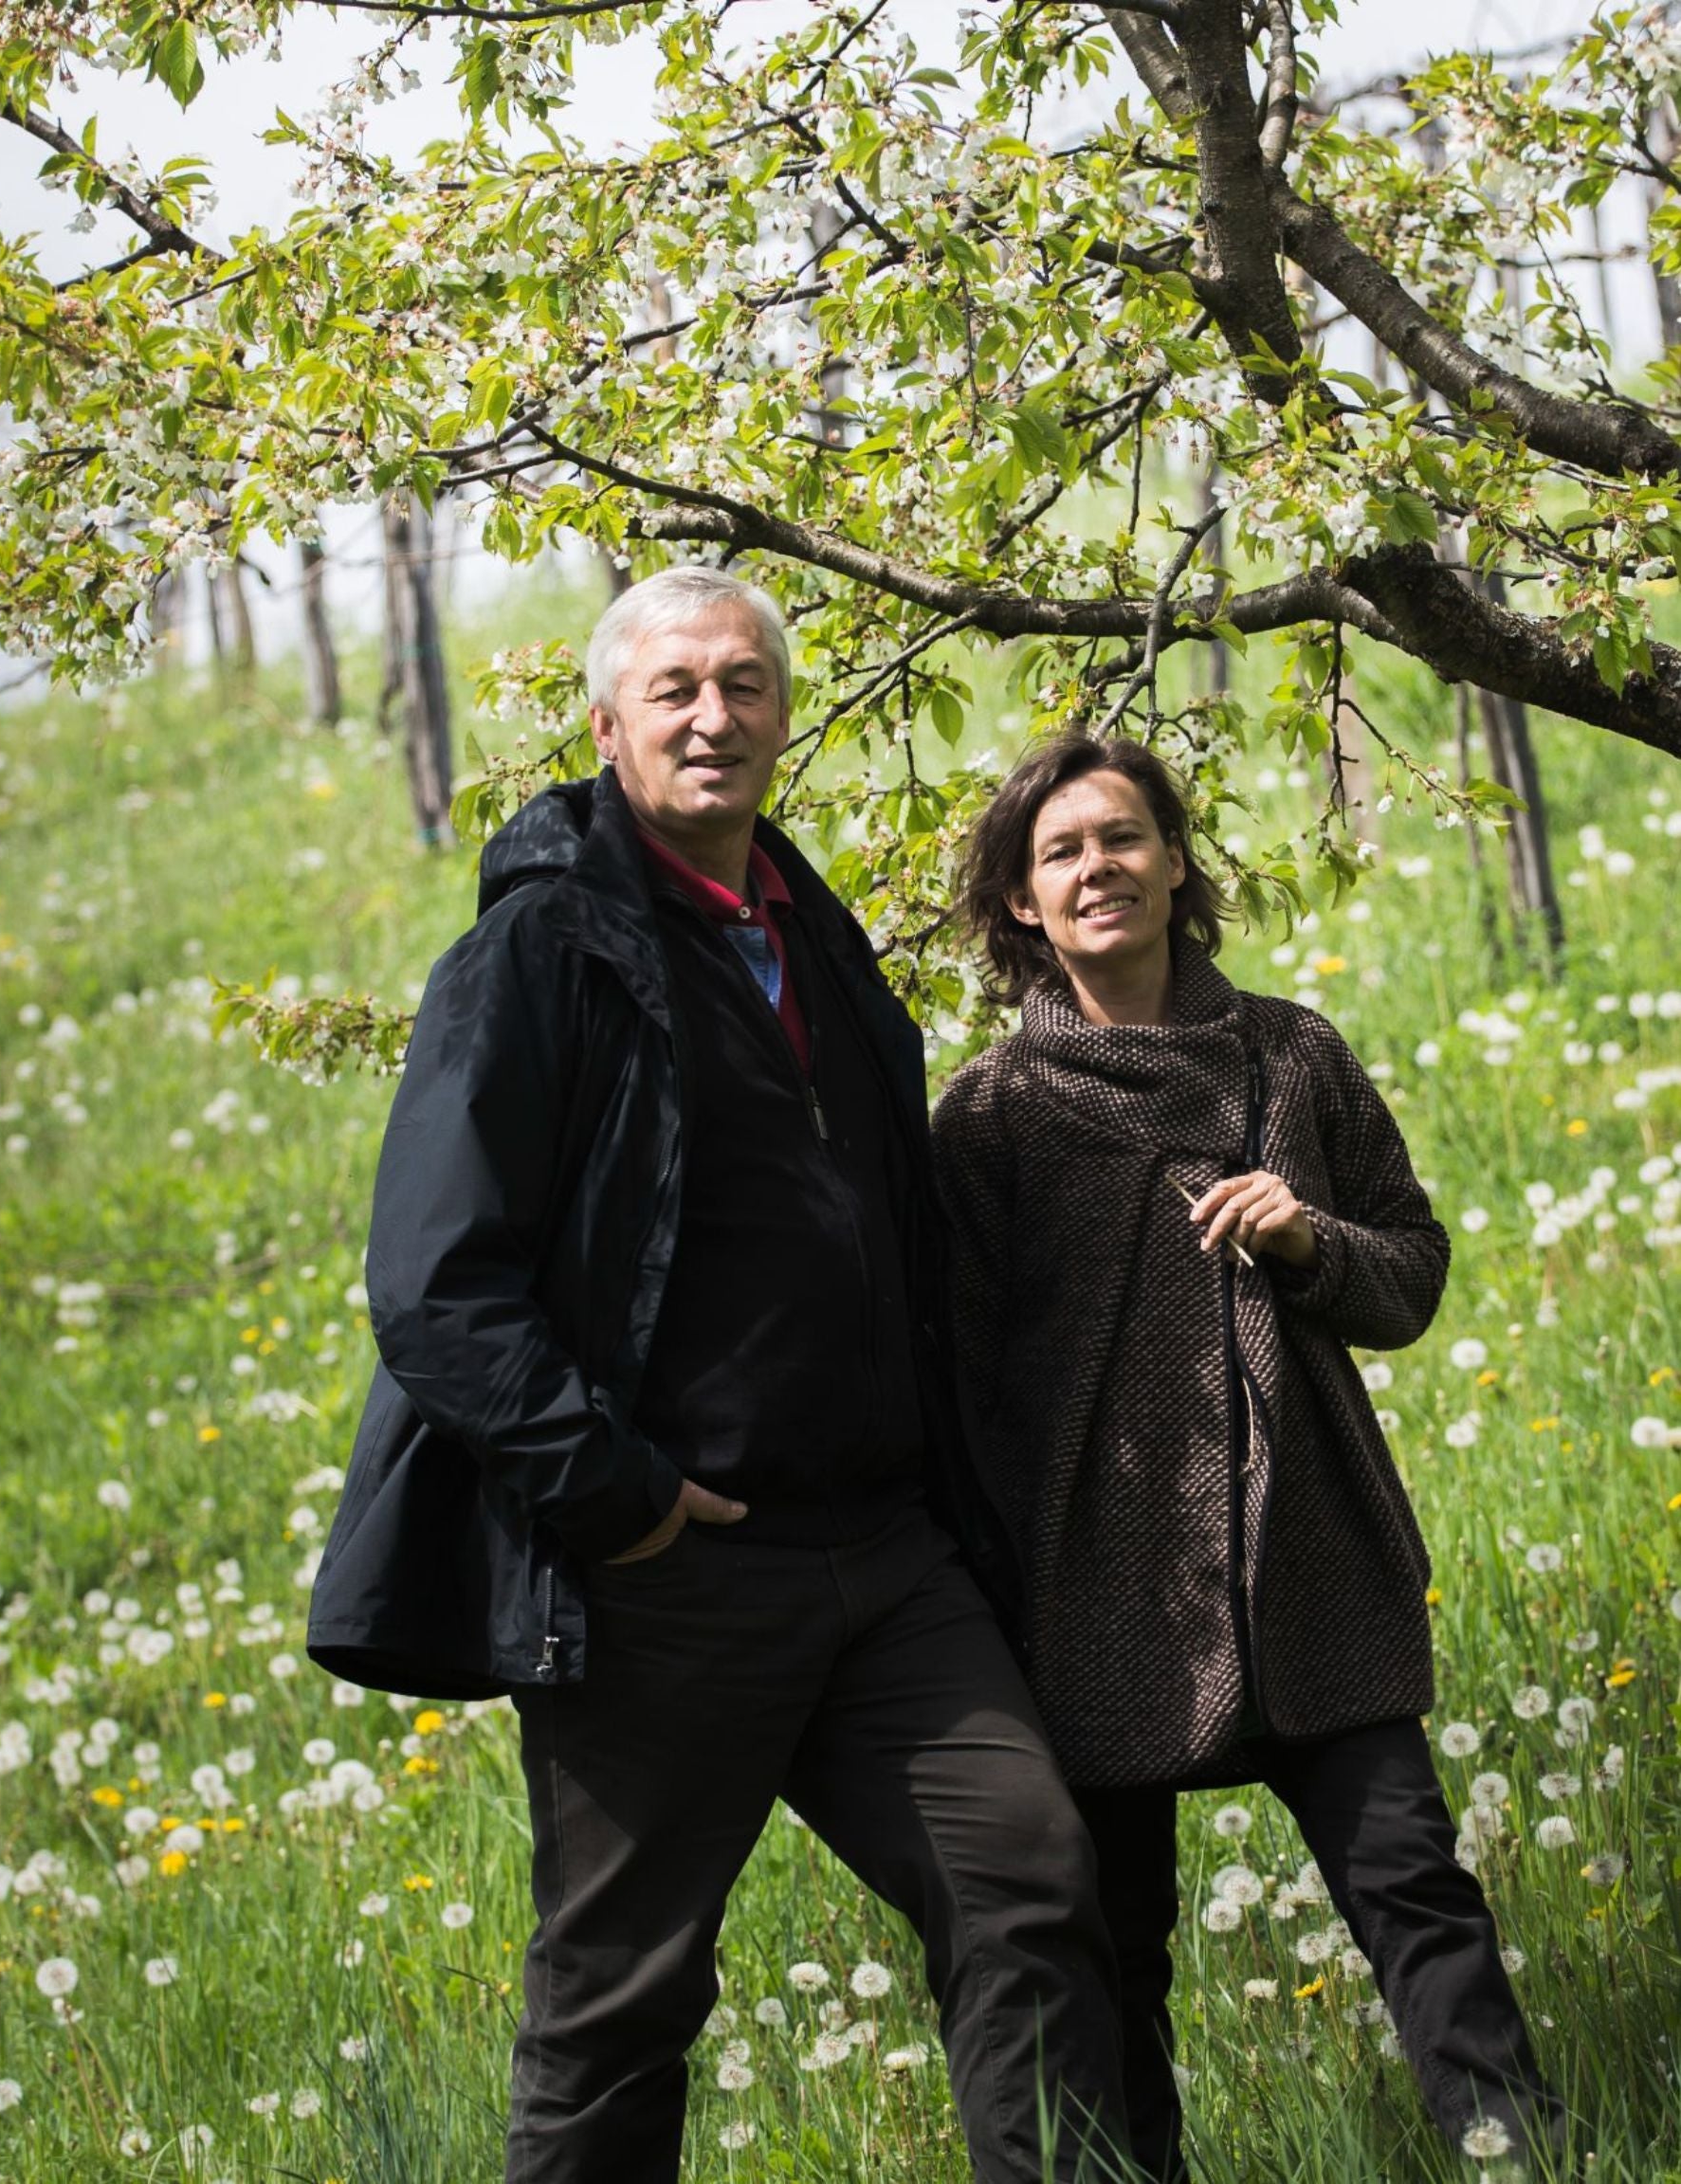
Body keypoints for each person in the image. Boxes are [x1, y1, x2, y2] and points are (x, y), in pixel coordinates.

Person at [306, 569, 1130, 2184]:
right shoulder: (539, 953)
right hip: (662, 1578)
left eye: (745, 685)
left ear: (783, 718)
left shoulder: (812, 937)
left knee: (1029, 1884)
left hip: (885, 1560)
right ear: (606, 727)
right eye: (675, 688)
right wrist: (615, 1496)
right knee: (622, 2004)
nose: (713, 715)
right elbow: (436, 1284)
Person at [931, 735, 1562, 2182]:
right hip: (1101, 1599)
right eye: (1061, 852)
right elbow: (953, 1389)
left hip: (1315, 1566)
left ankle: (1523, 2156)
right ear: (1021, 900)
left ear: (1174, 860)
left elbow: (1411, 1277)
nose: (1098, 868)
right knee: (1117, 1948)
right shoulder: (990, 1115)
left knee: (1415, 1890)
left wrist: (1309, 1240)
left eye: (1123, 837)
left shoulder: (1294, 1057)